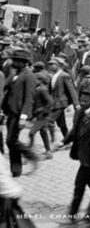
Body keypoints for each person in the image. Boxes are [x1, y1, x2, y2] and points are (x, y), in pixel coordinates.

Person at [56, 84, 90, 220]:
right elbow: (75, 130)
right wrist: (62, 142)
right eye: (81, 100)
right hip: (83, 156)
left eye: (85, 101)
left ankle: (72, 214)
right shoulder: (81, 112)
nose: (82, 103)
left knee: (79, 186)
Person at [2, 49, 39, 178]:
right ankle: (16, 170)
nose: (13, 62)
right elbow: (3, 88)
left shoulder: (29, 76)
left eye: (16, 60)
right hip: (10, 112)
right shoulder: (14, 74)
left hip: (19, 114)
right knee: (11, 141)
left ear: (23, 63)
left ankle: (31, 156)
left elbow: (29, 98)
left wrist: (24, 117)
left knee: (11, 140)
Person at [28, 72, 54, 159]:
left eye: (35, 80)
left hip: (42, 116)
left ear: (40, 80)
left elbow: (50, 102)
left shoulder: (42, 90)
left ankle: (29, 152)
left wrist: (44, 112)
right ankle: (48, 152)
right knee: (43, 132)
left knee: (31, 133)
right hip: (40, 114)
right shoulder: (38, 89)